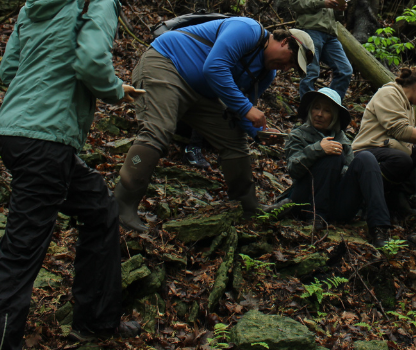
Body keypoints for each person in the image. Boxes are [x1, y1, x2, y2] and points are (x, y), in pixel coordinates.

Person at [0, 0, 141, 350]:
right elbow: (88, 63)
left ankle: (97, 319)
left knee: (100, 212)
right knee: (21, 252)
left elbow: (9, 68)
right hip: (47, 138)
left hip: (16, 130)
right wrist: (115, 90)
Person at [114, 18, 315, 232]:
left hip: (203, 94)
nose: (286, 68)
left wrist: (259, 133)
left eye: (292, 68)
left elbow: (238, 111)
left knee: (234, 140)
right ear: (284, 42)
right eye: (290, 60)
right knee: (157, 132)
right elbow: (214, 67)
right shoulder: (248, 30)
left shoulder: (266, 74)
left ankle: (248, 206)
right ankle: (121, 205)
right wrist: (247, 109)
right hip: (166, 64)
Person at [351, 66, 416, 252]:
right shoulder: (388, 94)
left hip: (391, 151)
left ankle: (399, 196)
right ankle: (375, 200)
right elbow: (400, 131)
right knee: (402, 160)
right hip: (367, 153)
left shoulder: (408, 104)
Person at [285, 87, 390, 246]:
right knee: (332, 155)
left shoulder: (341, 138)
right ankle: (316, 219)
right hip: (306, 201)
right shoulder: (298, 135)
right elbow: (293, 169)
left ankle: (379, 228)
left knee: (367, 158)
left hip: (337, 203)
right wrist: (318, 149)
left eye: (326, 111)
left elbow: (349, 168)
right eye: (316, 108)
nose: (319, 114)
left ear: (334, 116)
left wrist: (341, 173)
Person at [288, 0, 353, 100]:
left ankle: (328, 107)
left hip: (330, 34)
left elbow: (332, 14)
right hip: (310, 31)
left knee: (345, 70)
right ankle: (307, 113)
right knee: (311, 72)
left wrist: (340, 10)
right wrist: (322, 3)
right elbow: (295, 2)